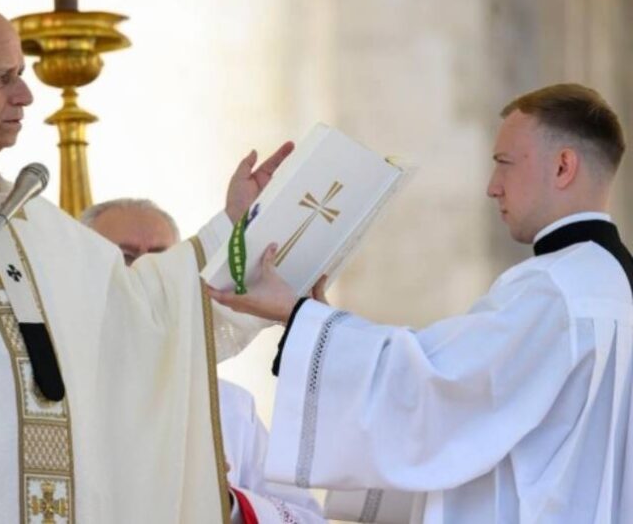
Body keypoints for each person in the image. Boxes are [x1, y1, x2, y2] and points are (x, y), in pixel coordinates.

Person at [0, 0, 292, 523]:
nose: (24, 96)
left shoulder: (33, 221)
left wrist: (236, 229)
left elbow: (148, 313)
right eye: (1, 78)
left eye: (21, 75)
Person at [208, 83, 633, 523]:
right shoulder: (607, 282)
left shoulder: (558, 289)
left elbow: (438, 390)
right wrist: (314, 321)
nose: (492, 187)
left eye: (504, 163)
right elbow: (485, 426)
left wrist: (300, 317)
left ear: (563, 166)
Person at [83, 198, 326, 524]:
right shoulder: (56, 394)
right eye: (125, 258)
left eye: (164, 261)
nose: (146, 275)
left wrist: (226, 500)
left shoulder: (231, 406)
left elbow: (307, 518)